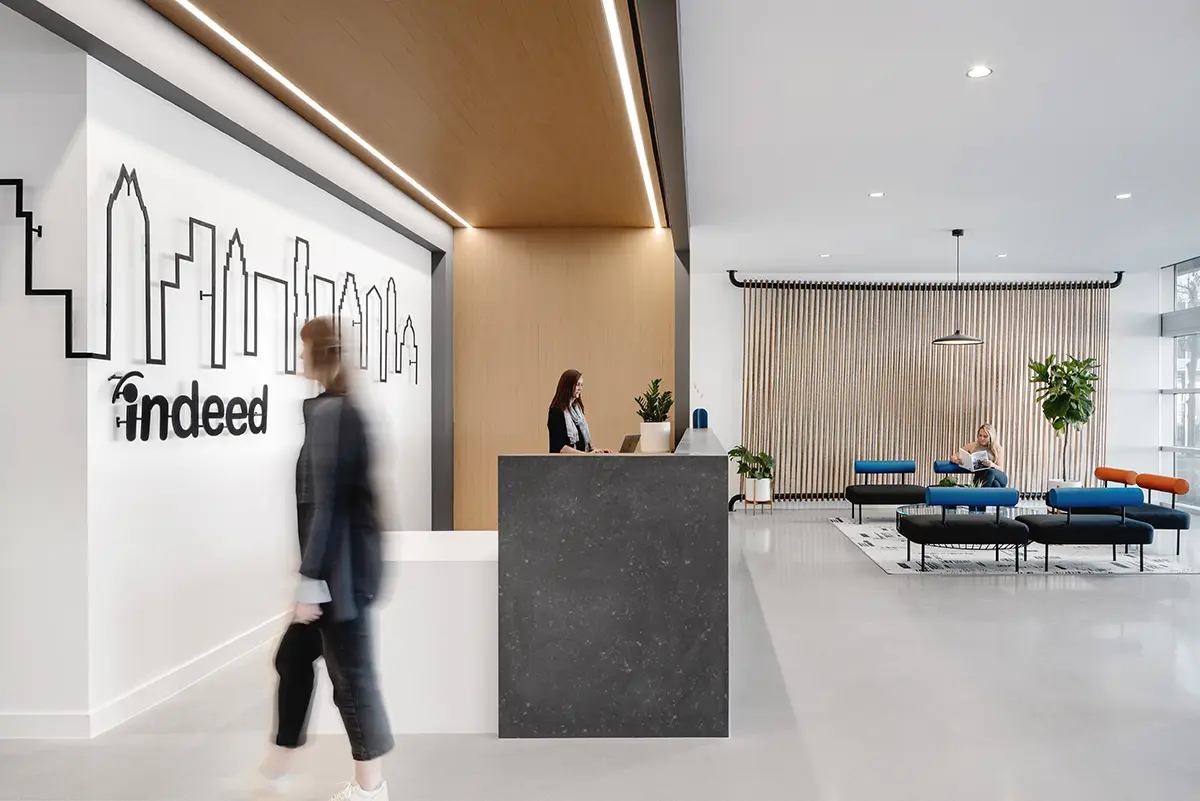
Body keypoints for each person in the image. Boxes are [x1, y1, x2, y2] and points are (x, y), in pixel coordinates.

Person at [249, 317, 393, 801]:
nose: (299, 355)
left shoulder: (333, 413)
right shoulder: (337, 408)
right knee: (293, 658)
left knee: (352, 681)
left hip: (337, 577)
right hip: (340, 570)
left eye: (303, 347)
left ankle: (371, 788)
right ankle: (281, 763)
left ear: (316, 352)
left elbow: (326, 504)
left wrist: (311, 581)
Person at [547, 369, 612, 454]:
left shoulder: (577, 410)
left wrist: (595, 451)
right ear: (568, 386)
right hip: (564, 461)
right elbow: (560, 448)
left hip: (580, 460)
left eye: (581, 385)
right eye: (577, 385)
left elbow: (581, 444)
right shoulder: (556, 411)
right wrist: (586, 455)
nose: (580, 388)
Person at [951, 422, 1008, 488]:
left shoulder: (998, 448)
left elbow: (1000, 468)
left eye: (985, 436)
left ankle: (981, 492)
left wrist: (992, 464)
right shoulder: (972, 445)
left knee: (990, 472)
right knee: (995, 484)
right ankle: (984, 492)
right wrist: (957, 461)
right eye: (980, 435)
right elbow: (953, 456)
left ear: (991, 437)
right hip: (981, 477)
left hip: (998, 475)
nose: (982, 438)